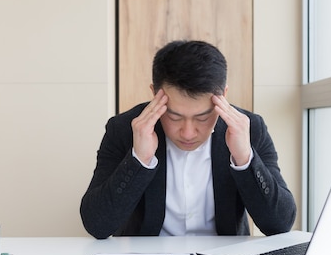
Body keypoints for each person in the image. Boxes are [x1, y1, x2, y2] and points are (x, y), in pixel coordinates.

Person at [80, 40, 297, 239]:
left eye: (202, 117)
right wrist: (139, 159)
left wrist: (244, 158)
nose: (188, 133)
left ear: (223, 96)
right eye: (174, 116)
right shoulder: (125, 129)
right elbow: (97, 225)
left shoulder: (248, 128)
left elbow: (279, 224)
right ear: (155, 94)